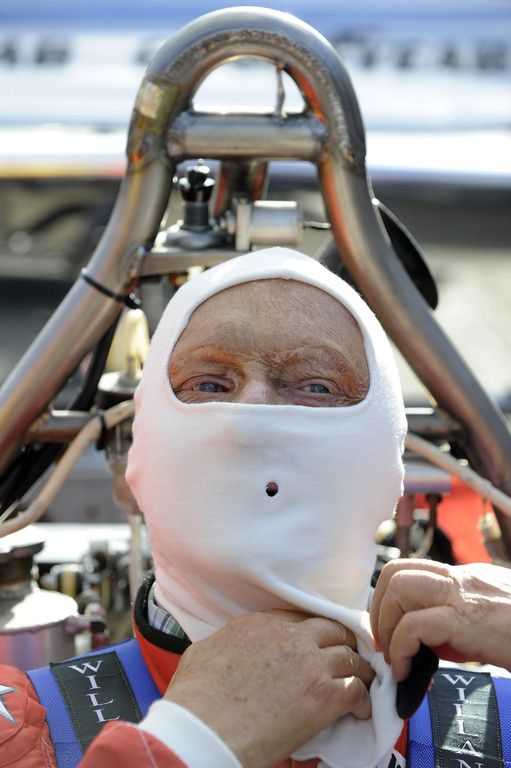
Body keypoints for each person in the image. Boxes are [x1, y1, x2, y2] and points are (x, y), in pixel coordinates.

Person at [0, 247, 416, 767]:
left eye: (316, 386)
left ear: (386, 456)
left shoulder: (496, 715)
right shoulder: (17, 727)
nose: (248, 417)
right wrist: (192, 739)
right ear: (142, 454)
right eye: (209, 385)